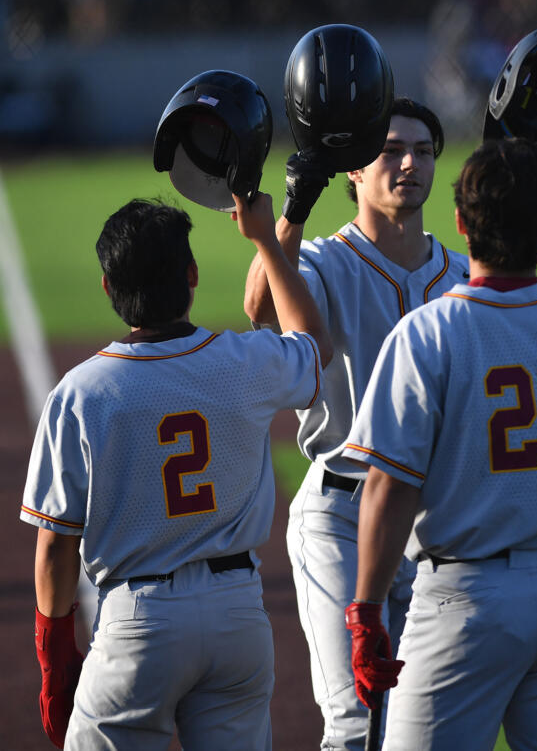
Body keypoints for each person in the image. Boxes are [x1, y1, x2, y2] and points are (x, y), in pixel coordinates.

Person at [340, 138, 537, 750]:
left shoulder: (427, 333)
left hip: (465, 603)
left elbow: (390, 485)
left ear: (460, 223)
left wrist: (365, 611)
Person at [22, 192, 331, 749]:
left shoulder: (80, 394)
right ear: (191, 275)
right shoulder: (247, 361)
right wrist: (265, 239)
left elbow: (55, 546)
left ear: (109, 289)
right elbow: (313, 343)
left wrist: (54, 656)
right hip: (239, 620)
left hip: (139, 625)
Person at [243, 97, 468, 751]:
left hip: (433, 523)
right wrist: (289, 211)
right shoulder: (321, 258)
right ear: (353, 173)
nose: (408, 164)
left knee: (426, 727)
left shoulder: (458, 275)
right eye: (390, 151)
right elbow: (259, 306)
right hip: (342, 511)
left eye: (423, 151)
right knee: (353, 722)